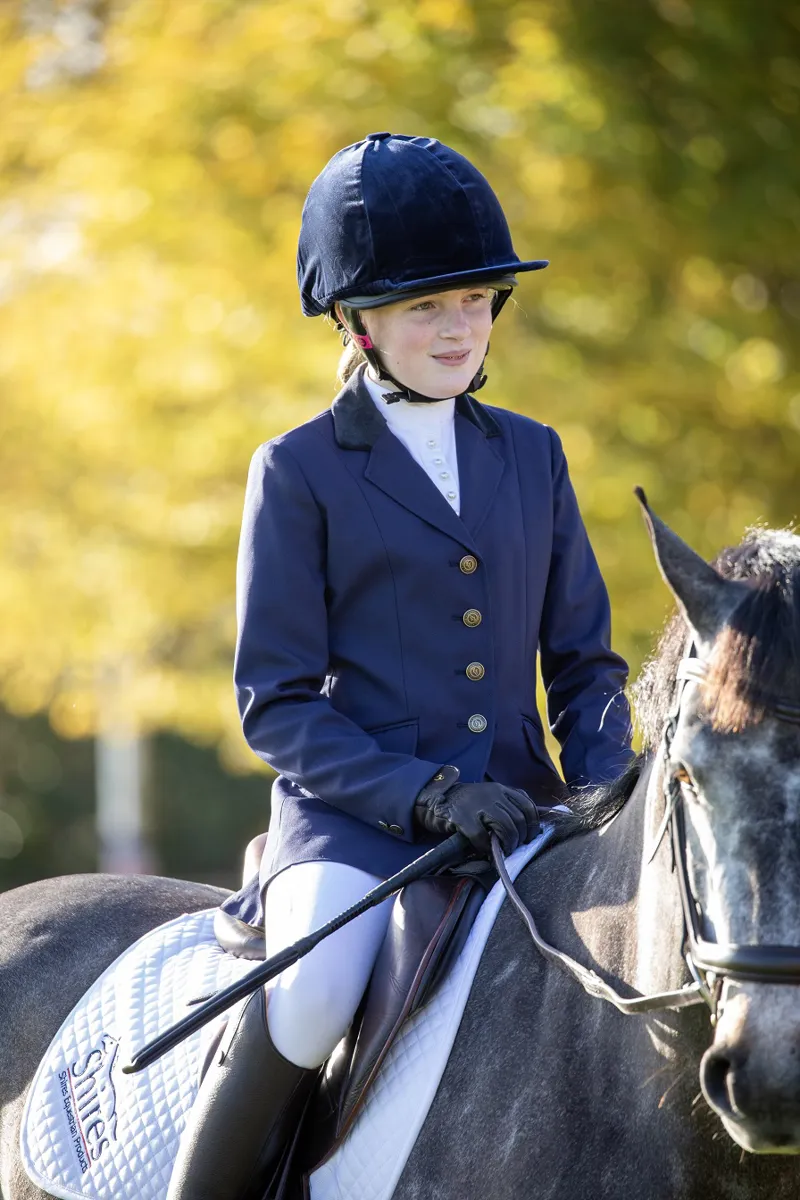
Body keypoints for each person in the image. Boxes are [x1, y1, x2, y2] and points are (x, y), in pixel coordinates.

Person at [167, 132, 633, 1200]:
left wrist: (606, 789)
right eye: (426, 307)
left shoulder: (532, 452)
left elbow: (583, 663)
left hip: (523, 815)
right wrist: (421, 795)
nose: (457, 327)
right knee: (314, 995)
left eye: (473, 301)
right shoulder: (298, 468)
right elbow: (274, 703)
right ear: (357, 321)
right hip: (355, 824)